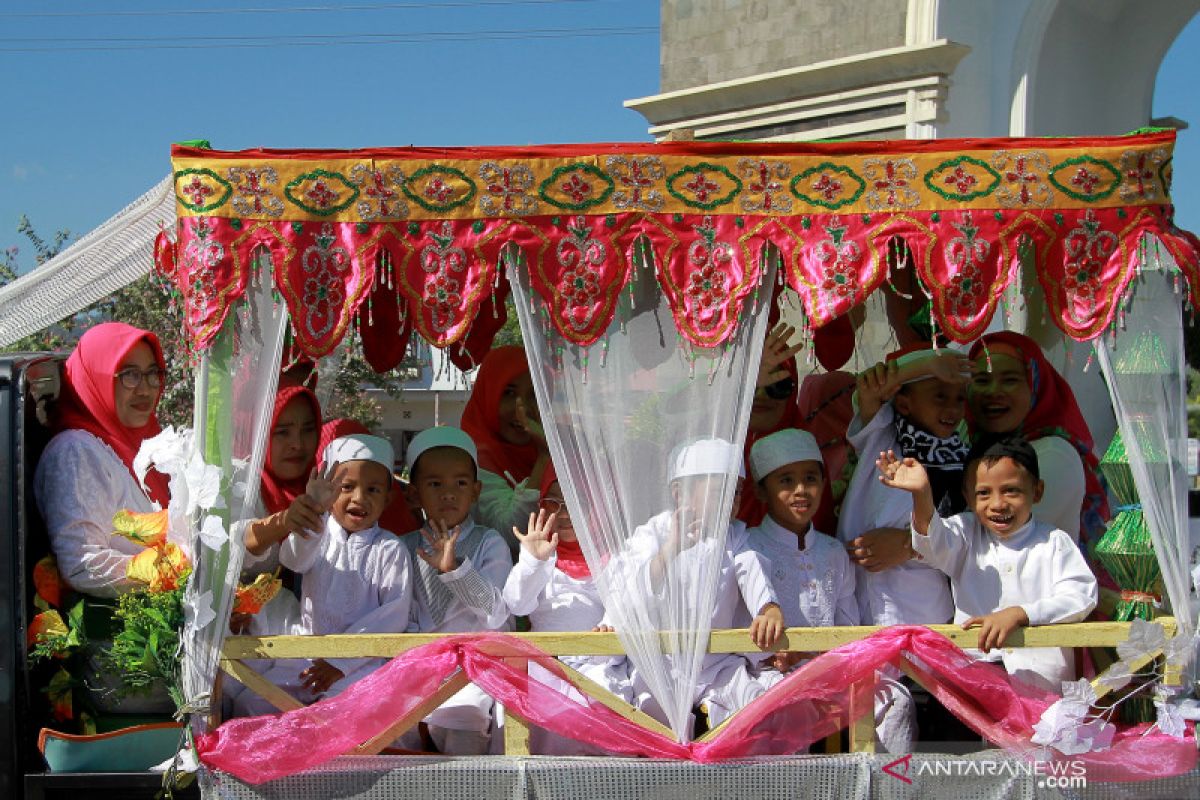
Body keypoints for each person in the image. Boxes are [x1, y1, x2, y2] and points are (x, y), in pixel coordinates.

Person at [878, 434, 1098, 693]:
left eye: (1011, 491)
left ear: (1037, 492)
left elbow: (1081, 595)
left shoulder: (1053, 541)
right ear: (968, 497)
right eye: (983, 493)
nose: (997, 504)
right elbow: (933, 544)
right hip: (975, 682)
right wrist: (922, 495)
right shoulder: (966, 531)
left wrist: (1020, 614)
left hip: (1039, 684)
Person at [834, 345, 972, 752]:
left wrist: (910, 546)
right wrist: (926, 364)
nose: (952, 408)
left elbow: (967, 540)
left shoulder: (964, 461)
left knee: (913, 726)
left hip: (923, 619)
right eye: (939, 395)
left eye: (958, 398)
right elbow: (870, 390)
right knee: (869, 726)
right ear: (905, 402)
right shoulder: (882, 434)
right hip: (862, 614)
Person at [233, 434, 414, 717]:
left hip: (359, 664)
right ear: (329, 492)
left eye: (373, 490)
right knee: (253, 703)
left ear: (388, 498)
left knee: (344, 713)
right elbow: (293, 559)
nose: (359, 498)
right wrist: (314, 511)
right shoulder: (319, 531)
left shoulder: (390, 548)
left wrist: (338, 663)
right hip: (306, 654)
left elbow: (392, 615)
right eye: (347, 487)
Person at [623, 439, 785, 730]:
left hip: (719, 664)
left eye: (735, 492)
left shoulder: (735, 536)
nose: (731, 500)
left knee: (759, 704)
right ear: (679, 493)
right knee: (654, 719)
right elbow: (632, 595)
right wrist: (671, 550)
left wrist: (768, 607)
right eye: (718, 491)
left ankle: (743, 777)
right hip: (662, 664)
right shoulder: (654, 532)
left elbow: (751, 567)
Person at [502, 467, 633, 754]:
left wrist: (608, 628)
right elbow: (517, 604)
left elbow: (622, 605)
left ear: (596, 509)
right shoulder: (539, 550)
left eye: (577, 503)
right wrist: (533, 562)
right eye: (553, 504)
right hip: (544, 665)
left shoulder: (613, 555)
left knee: (603, 704)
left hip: (599, 665)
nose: (563, 514)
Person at [35, 322, 171, 598]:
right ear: (95, 379)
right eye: (130, 375)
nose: (145, 389)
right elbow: (82, 565)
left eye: (152, 374)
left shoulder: (139, 444)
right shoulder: (74, 452)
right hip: (115, 633)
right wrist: (171, 572)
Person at [400, 426, 513, 755]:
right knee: (386, 722)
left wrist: (455, 570)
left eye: (460, 483)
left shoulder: (489, 543)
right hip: (417, 663)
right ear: (414, 493)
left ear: (476, 491)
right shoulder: (404, 547)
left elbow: (496, 614)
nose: (448, 493)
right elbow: (399, 615)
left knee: (463, 716)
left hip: (475, 666)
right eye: (435, 484)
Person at [967, 331, 1109, 545]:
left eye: (1010, 380)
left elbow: (996, 540)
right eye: (982, 380)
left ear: (1035, 386)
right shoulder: (972, 447)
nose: (993, 392)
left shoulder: (1052, 453)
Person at [747, 428, 858, 676]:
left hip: (830, 670)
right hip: (766, 675)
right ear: (761, 491)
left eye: (810, 478)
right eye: (786, 480)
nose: (801, 489)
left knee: (897, 700)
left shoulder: (833, 551)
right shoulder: (748, 547)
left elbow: (848, 626)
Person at [741, 323, 856, 534]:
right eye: (750, 385)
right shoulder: (719, 450)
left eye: (779, 385)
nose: (761, 396)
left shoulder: (805, 453)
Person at [459, 346, 549, 553]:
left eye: (534, 395)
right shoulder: (469, 462)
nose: (522, 408)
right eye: (508, 393)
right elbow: (511, 532)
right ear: (487, 394)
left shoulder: (561, 451)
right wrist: (544, 458)